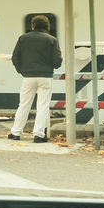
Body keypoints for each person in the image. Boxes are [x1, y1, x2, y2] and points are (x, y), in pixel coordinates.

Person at [9, 14, 63, 143]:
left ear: (33, 26)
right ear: (47, 26)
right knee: (43, 106)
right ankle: (38, 135)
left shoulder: (23, 38)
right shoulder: (52, 40)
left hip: (28, 77)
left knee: (24, 105)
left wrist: (21, 70)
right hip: (45, 77)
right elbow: (57, 62)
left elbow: (15, 57)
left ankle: (16, 132)